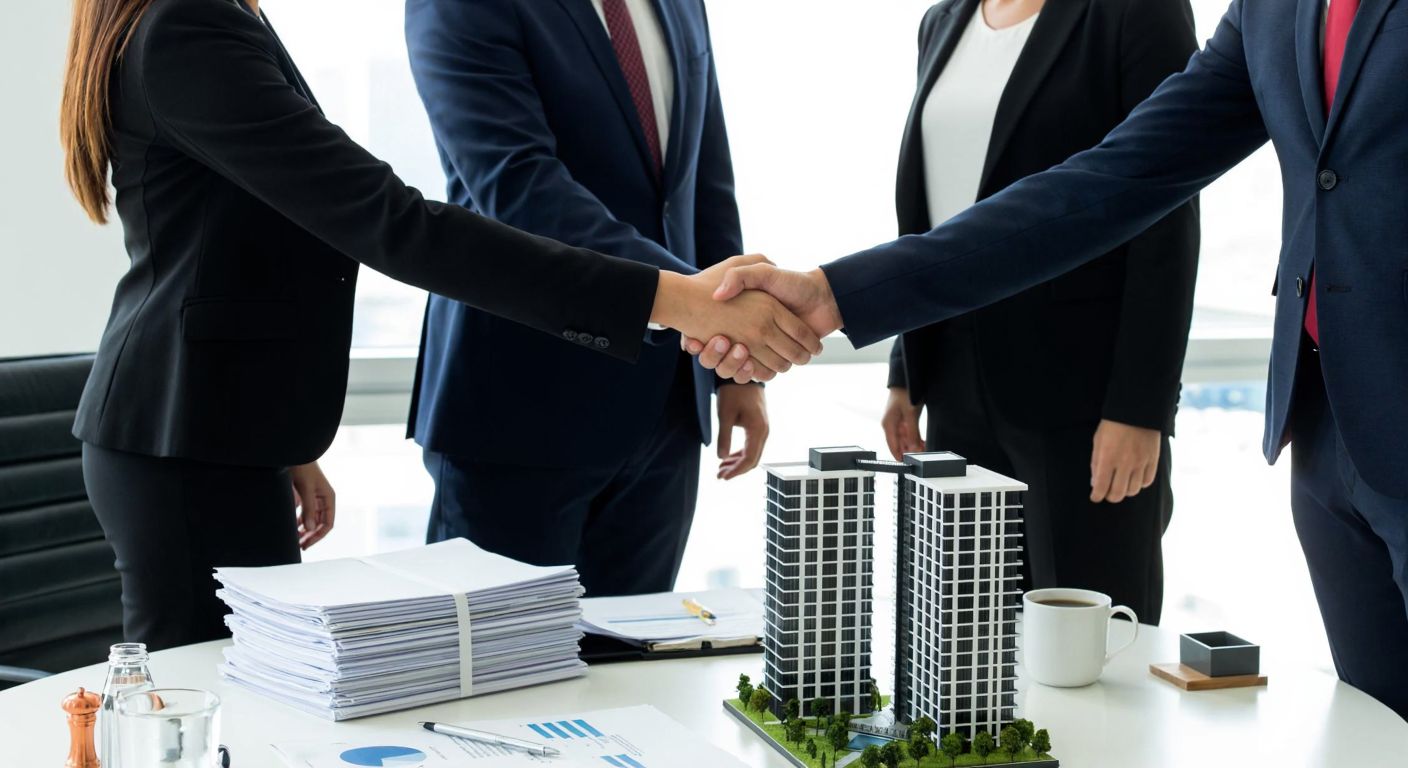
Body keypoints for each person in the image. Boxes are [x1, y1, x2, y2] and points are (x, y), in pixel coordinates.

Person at [699, 0, 1408, 719]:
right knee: (1384, 726)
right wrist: (838, 295)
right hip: (1329, 426)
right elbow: (1117, 178)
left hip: (1128, 392)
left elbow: (1167, 236)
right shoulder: (1273, 8)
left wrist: (1139, 403)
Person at [59, 0, 819, 649]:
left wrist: (278, 436)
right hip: (182, 442)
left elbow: (251, 247)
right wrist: (673, 298)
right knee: (208, 718)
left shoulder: (211, 20)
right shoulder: (186, 30)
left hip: (218, 432)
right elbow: (394, 222)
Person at [403, 0, 764, 596]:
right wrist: (702, 309)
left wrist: (735, 369)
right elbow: (519, 188)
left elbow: (703, 183)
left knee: (637, 670)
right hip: (518, 409)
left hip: (666, 410)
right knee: (498, 676)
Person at [879, 0, 1198, 623]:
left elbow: (1169, 214)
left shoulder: (1137, 13)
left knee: (1092, 645)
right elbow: (934, 214)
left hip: (1083, 396)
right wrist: (905, 367)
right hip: (953, 378)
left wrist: (1140, 407)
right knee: (962, 643)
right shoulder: (943, 21)